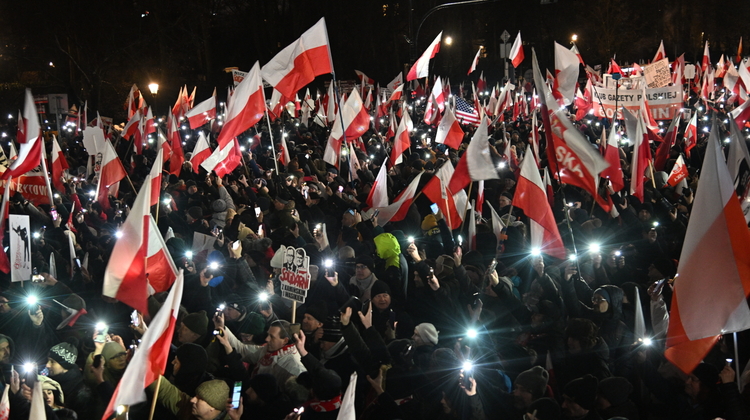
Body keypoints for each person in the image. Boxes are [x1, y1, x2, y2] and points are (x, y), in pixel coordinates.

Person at [216, 315, 306, 385]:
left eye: (272, 337)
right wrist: (223, 327)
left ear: (285, 340)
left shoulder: (294, 366)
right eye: (268, 334)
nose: (266, 339)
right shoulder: (267, 350)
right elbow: (243, 350)